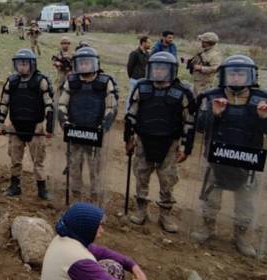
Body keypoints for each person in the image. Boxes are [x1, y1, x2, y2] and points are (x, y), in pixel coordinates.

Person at [191, 55, 267, 257]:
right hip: (217, 158)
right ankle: (207, 228)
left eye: (241, 74)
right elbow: (200, 127)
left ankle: (241, 236)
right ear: (224, 76)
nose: (237, 78)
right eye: (232, 74)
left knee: (245, 203)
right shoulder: (211, 96)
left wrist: (266, 120)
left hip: (248, 162)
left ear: (250, 76)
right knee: (211, 198)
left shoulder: (264, 100)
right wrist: (215, 114)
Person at [124, 52, 196, 233]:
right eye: (156, 68)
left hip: (170, 143)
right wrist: (128, 139)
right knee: (141, 175)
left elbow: (189, 121)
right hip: (143, 140)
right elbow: (131, 114)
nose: (159, 72)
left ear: (171, 70)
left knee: (167, 179)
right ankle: (141, 209)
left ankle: (165, 213)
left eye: (163, 68)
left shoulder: (182, 92)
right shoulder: (142, 87)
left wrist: (187, 147)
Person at [57, 47, 119, 200]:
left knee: (95, 168)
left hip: (95, 131)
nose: (84, 66)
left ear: (95, 63)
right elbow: (62, 104)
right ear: (77, 65)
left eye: (87, 63)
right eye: (81, 63)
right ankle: (76, 198)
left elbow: (111, 106)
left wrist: (103, 126)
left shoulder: (105, 82)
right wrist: (64, 123)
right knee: (74, 167)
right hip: (75, 130)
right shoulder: (71, 81)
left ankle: (95, 199)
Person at [0, 49, 54, 199]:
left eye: (25, 64)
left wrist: (50, 127)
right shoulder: (11, 81)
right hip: (15, 126)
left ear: (32, 64)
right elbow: (3, 104)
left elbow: (49, 105)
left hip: (36, 127)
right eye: (19, 64)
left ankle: (42, 189)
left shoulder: (41, 81)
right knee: (15, 159)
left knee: (38, 161)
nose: (21, 67)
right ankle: (15, 186)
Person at [188, 32, 222, 97]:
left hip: (205, 84)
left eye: (203, 41)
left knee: (202, 102)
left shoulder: (215, 54)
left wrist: (201, 68)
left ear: (208, 43)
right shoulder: (204, 51)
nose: (201, 42)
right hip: (198, 81)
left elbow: (216, 68)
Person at [126, 35, 151, 107]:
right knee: (131, 96)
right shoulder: (135, 53)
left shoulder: (147, 54)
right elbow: (130, 66)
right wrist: (131, 77)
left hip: (144, 79)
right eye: (148, 43)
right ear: (143, 43)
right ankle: (128, 112)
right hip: (135, 79)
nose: (150, 45)